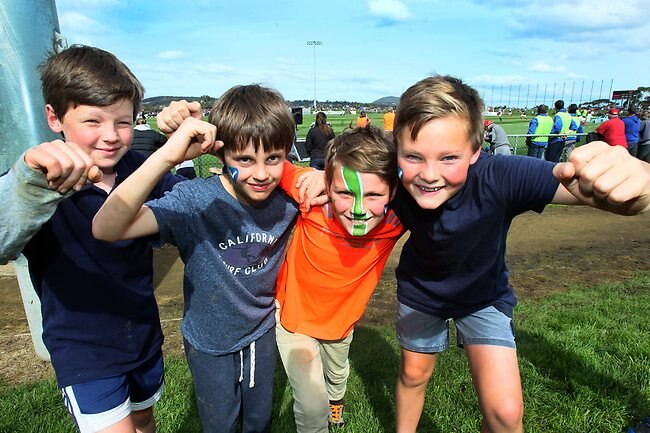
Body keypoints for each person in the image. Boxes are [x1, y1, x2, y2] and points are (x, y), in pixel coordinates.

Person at [390, 75, 650, 433]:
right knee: (413, 374)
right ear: (396, 149)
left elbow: (609, 196)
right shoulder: (389, 176)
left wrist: (640, 183)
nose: (429, 175)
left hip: (483, 297)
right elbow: (337, 179)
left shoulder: (502, 176)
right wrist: (314, 179)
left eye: (449, 157)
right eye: (413, 156)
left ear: (476, 151)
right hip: (421, 293)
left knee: (507, 415)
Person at [92, 85, 324, 433]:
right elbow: (106, 227)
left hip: (261, 332)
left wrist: (318, 176)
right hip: (209, 342)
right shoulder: (194, 202)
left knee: (258, 422)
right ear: (220, 155)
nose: (260, 174)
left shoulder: (288, 201)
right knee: (220, 424)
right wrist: (169, 155)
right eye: (244, 160)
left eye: (273, 158)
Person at [0, 45, 183, 433]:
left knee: (144, 420)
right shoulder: (39, 179)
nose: (111, 136)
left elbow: (192, 206)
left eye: (123, 122)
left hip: (144, 333)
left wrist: (188, 142)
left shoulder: (139, 167)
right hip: (85, 351)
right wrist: (28, 181)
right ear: (54, 117)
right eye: (92, 121)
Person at [275, 125, 405, 432]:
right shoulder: (311, 195)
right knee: (310, 406)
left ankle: (336, 404)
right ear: (329, 188)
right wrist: (316, 175)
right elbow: (269, 162)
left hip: (342, 322)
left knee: (336, 376)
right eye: (346, 192)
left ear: (394, 192)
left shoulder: (398, 220)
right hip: (294, 319)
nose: (359, 209)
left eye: (373, 195)